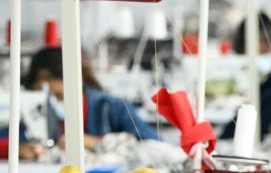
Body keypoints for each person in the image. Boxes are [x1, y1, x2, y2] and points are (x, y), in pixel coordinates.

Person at [0, 47, 158, 160]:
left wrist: (92, 142)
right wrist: (13, 149)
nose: (53, 103)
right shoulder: (33, 112)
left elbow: (156, 146)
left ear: (76, 82)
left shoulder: (112, 108)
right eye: (45, 99)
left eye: (59, 95)